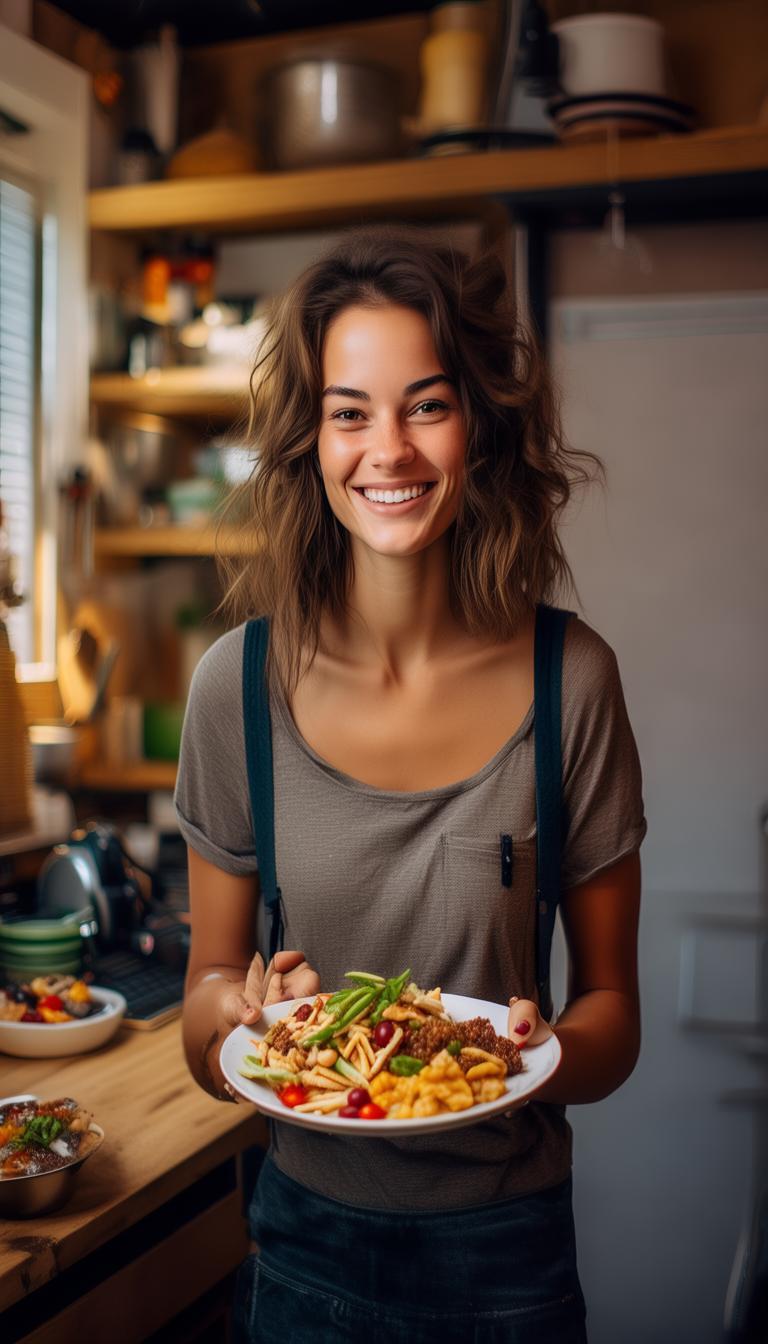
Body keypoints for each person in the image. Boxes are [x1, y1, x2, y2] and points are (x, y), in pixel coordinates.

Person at [175, 226, 646, 1343]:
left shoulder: (571, 678)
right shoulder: (232, 689)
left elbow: (615, 1015)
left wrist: (537, 1055)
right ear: (312, 439)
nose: (389, 449)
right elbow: (204, 1001)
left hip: (508, 1256)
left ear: (479, 424)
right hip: (300, 1246)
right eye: (350, 412)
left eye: (426, 404)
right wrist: (234, 1018)